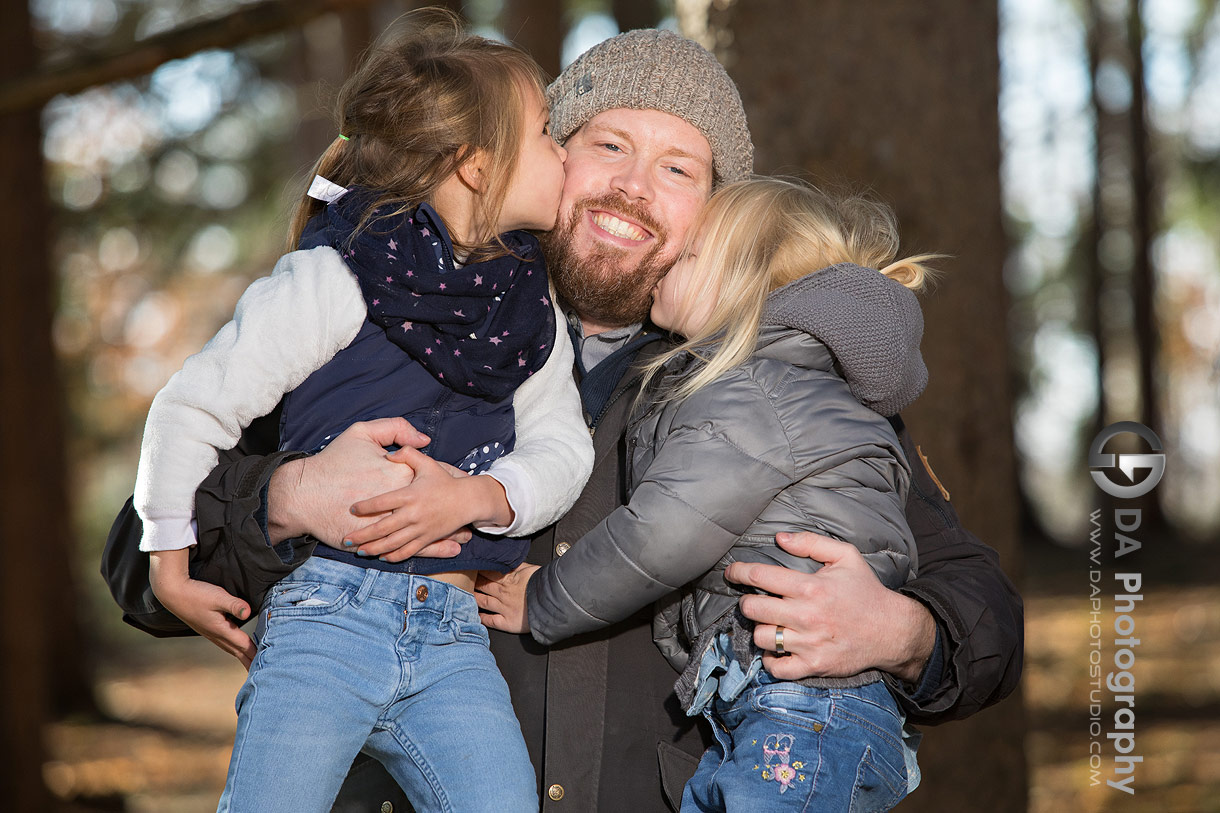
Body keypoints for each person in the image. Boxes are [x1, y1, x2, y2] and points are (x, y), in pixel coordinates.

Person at [111, 28, 1022, 812]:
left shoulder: (771, 378)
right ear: (541, 153)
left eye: (678, 168)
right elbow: (137, 558)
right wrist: (287, 495)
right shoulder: (392, 306)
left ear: (718, 211)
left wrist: (903, 633)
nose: (632, 187)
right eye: (608, 144)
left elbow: (981, 605)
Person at [131, 16, 591, 812]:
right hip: (323, 619)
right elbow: (191, 405)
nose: (565, 152)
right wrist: (169, 565)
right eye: (547, 132)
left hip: (452, 634)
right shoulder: (337, 275)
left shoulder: (528, 305)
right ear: (477, 168)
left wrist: (484, 496)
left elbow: (562, 444)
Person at [478, 176, 936, 811]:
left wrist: (545, 598)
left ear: (741, 283)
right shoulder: (798, 386)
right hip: (794, 708)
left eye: (690, 256)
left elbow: (661, 534)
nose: (670, 259)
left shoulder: (752, 392)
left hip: (802, 707)